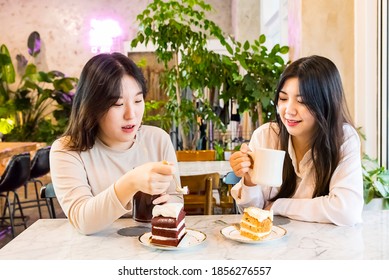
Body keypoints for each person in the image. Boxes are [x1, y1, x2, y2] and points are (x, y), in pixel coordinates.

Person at [50, 52, 182, 235]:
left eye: (138, 100)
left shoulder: (158, 139)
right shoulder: (67, 150)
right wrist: (132, 181)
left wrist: (169, 204)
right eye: (118, 104)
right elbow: (82, 221)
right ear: (92, 106)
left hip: (152, 248)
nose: (131, 114)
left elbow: (176, 197)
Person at [229, 55, 363, 226]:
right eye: (283, 99)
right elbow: (254, 213)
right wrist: (249, 180)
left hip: (324, 248)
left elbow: (346, 211)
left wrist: (278, 206)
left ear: (325, 103)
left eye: (302, 101)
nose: (288, 111)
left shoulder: (343, 138)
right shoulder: (266, 136)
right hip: (273, 247)